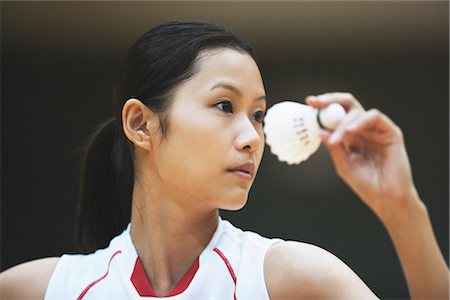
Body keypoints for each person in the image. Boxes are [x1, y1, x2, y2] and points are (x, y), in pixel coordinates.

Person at [1, 21, 448, 300]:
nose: (252, 137)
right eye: (223, 106)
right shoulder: (43, 289)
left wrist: (400, 205)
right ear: (140, 124)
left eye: (257, 114)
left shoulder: (292, 278)